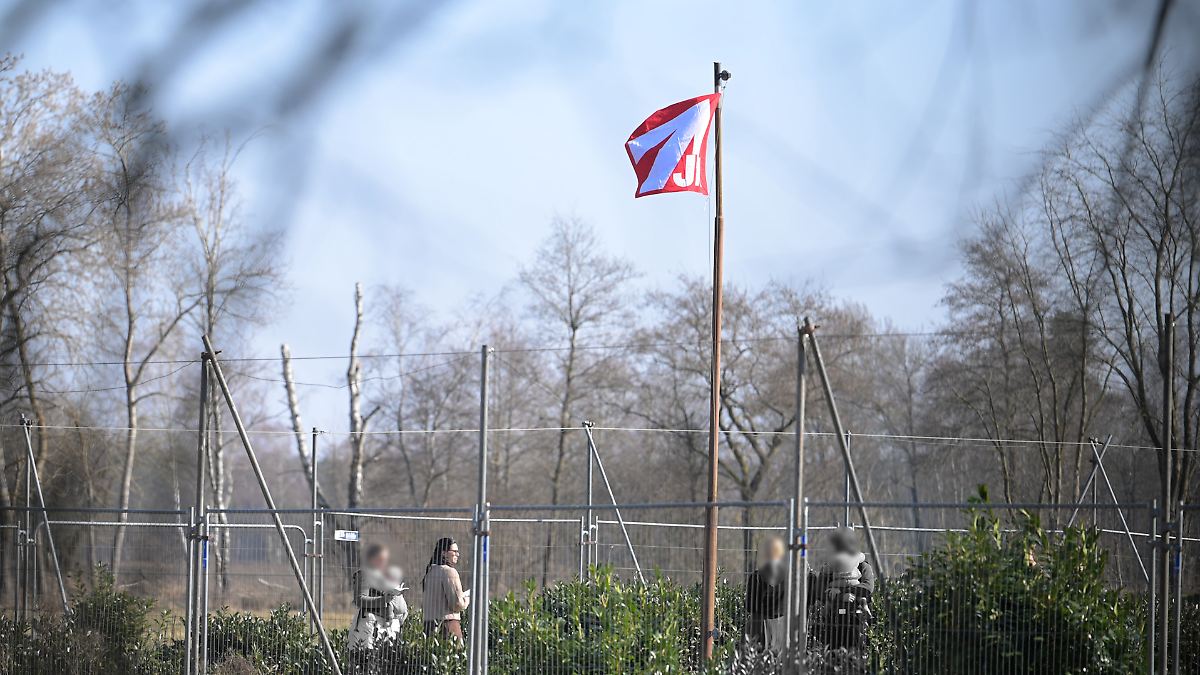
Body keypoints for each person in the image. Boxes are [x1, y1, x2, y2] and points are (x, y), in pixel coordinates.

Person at [810, 527, 874, 651]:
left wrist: (843, 592)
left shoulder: (863, 566)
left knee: (855, 652)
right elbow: (819, 591)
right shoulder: (831, 566)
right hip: (833, 619)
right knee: (833, 653)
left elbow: (867, 587)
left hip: (856, 619)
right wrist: (839, 597)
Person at [348, 544, 407, 650]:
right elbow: (359, 599)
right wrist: (383, 600)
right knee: (368, 657)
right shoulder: (365, 574)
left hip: (391, 626)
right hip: (372, 626)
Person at [421, 537, 469, 642]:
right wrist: (467, 600)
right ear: (444, 553)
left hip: (429, 626)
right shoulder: (449, 572)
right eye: (454, 551)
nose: (457, 554)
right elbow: (457, 604)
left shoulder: (430, 573)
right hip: (448, 626)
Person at [744, 536, 787, 653]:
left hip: (759, 627)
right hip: (783, 627)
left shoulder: (756, 577)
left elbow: (749, 606)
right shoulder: (789, 577)